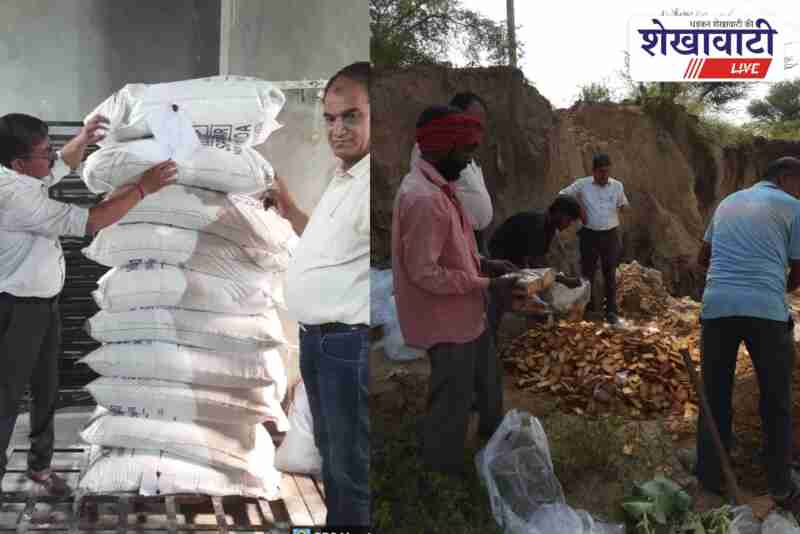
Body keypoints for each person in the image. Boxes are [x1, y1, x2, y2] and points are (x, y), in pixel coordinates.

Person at [0, 113, 177, 495]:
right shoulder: (13, 196)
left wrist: (82, 138)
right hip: (15, 308)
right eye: (42, 152)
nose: (51, 157)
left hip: (43, 301)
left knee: (47, 386)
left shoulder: (24, 175)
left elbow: (57, 167)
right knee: (7, 394)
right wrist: (142, 189)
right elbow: (93, 220)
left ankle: (39, 466)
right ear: (17, 163)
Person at [392, 105, 519, 476]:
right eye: (464, 152)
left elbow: (454, 248)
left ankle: (489, 446)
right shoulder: (424, 198)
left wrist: (484, 262)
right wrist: (487, 284)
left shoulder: (437, 187)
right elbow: (424, 272)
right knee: (452, 400)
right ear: (442, 147)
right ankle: (441, 477)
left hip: (467, 315)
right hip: (446, 322)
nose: (467, 162)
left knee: (487, 382)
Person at [270, 62, 370, 527]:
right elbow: (328, 247)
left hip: (346, 343)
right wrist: (289, 211)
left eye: (351, 116)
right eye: (330, 119)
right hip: (320, 341)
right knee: (333, 455)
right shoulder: (344, 175)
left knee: (349, 463)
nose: (338, 129)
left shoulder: (372, 181)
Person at [695, 157, 800, 512]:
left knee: (714, 394)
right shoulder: (794, 207)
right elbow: (799, 269)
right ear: (786, 177)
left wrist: (728, 281)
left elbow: (703, 256)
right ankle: (780, 486)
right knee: (775, 400)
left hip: (716, 307)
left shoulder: (728, 202)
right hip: (765, 312)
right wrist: (772, 288)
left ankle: (710, 482)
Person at [410, 92, 493, 252]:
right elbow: (427, 271)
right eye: (474, 117)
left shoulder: (465, 155)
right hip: (454, 237)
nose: (479, 123)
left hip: (470, 236)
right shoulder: (430, 152)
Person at [559, 152, 629, 325]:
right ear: (594, 171)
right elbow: (562, 194)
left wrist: (624, 207)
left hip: (611, 234)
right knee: (587, 273)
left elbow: (623, 203)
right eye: (601, 172)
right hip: (589, 235)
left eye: (607, 171)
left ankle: (611, 312)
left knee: (609, 273)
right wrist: (578, 208)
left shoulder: (617, 185)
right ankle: (588, 310)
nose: (605, 175)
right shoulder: (582, 185)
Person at [489, 195, 583, 269]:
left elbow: (539, 261)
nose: (568, 225)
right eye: (568, 220)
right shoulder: (537, 225)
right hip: (499, 262)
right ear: (559, 212)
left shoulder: (549, 228)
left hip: (514, 263)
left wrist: (558, 278)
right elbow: (529, 265)